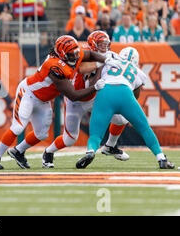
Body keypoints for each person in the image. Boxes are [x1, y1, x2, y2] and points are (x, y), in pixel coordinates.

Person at [0, 35, 121, 170]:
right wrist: (94, 87)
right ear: (62, 54)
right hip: (28, 94)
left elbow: (89, 53)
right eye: (71, 54)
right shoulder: (54, 67)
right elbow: (73, 95)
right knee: (18, 127)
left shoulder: (74, 52)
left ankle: (17, 151)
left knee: (41, 134)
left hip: (44, 99)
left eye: (76, 53)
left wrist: (106, 59)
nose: (75, 57)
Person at [76, 47, 175, 170]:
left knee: (96, 134)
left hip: (104, 91)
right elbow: (135, 95)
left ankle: (90, 152)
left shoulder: (110, 57)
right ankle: (161, 158)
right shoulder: (138, 71)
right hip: (125, 93)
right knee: (144, 128)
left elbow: (91, 64)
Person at [42, 31, 130, 168]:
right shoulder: (80, 54)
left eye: (106, 45)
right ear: (93, 45)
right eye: (101, 45)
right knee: (70, 139)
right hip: (76, 99)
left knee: (121, 119)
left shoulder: (108, 55)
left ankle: (110, 146)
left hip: (93, 97)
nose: (104, 48)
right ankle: (48, 152)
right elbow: (83, 70)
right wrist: (101, 64)